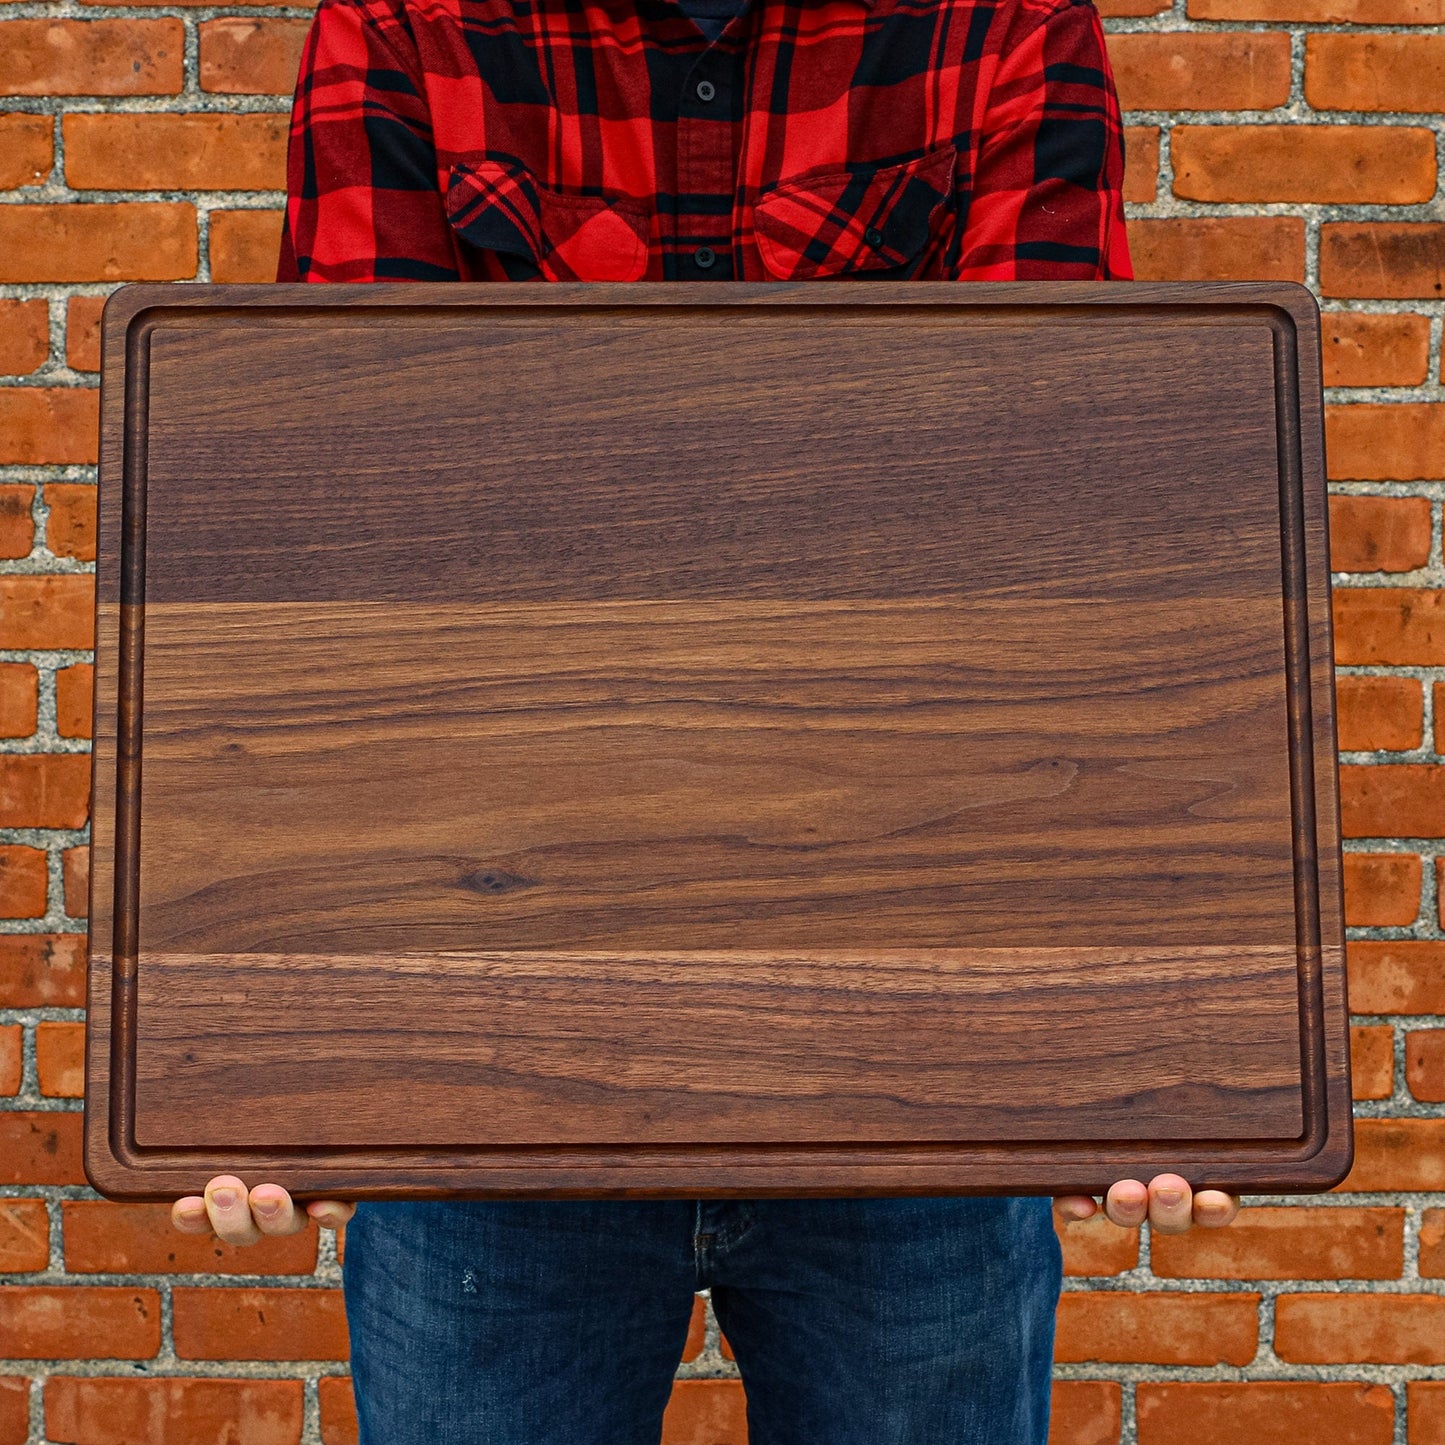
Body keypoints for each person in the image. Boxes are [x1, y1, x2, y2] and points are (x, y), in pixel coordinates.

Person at [173, 0, 1240, 1437]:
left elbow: (1049, 518)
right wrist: (276, 1052)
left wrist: (1137, 1046)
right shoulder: (409, 24)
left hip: (909, 1057)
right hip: (501, 1055)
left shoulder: (996, 23)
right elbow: (353, 528)